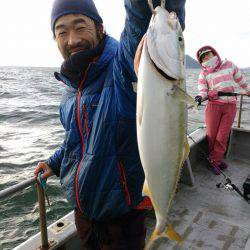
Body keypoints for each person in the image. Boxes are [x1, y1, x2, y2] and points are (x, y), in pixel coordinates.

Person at [34, 0, 186, 249]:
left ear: (100, 28)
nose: (72, 40)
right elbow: (76, 139)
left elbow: (141, 27)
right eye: (62, 31)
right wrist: (54, 163)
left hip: (122, 217)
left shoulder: (121, 66)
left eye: (80, 26)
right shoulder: (71, 88)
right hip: (83, 213)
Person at [195, 46, 250, 175]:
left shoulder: (229, 65)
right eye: (203, 57)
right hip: (213, 106)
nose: (206, 58)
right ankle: (216, 159)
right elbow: (203, 90)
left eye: (208, 54)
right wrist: (199, 97)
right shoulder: (203, 73)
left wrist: (248, 90)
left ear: (214, 53)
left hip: (230, 105)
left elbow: (242, 81)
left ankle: (214, 161)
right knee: (212, 136)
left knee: (222, 136)